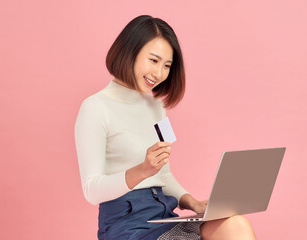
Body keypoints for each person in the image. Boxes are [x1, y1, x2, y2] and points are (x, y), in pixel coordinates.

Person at [75, 15, 256, 240]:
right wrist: (142, 170)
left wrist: (192, 203)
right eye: (153, 60)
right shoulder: (95, 107)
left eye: (167, 65)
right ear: (129, 51)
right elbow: (92, 190)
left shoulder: (156, 108)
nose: (159, 73)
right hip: (125, 225)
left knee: (235, 225)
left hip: (162, 215)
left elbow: (164, 175)